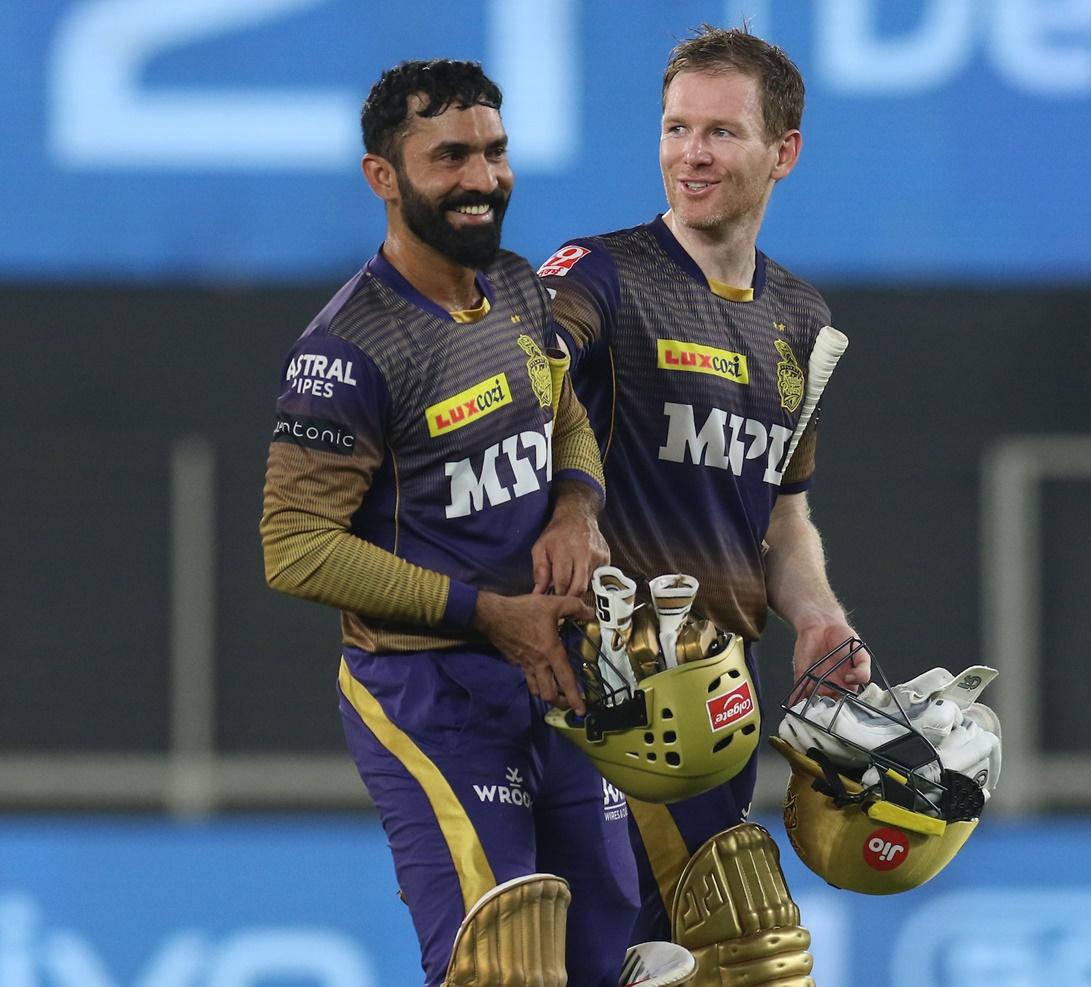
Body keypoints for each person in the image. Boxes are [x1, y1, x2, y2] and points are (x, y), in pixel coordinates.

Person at [260, 59, 639, 987]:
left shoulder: (512, 283)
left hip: (557, 674)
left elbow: (565, 411)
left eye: (495, 152)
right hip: (428, 697)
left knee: (608, 958)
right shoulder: (347, 351)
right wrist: (486, 612)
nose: (483, 178)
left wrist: (576, 506)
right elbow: (294, 545)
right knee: (499, 966)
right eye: (451, 157)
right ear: (382, 177)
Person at [538, 25, 872, 983]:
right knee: (738, 960)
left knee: (670, 965)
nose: (691, 154)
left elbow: (782, 518)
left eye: (721, 133)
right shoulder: (601, 274)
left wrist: (818, 617)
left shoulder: (802, 323)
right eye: (677, 128)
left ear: (784, 151)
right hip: (605, 692)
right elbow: (525, 369)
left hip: (719, 703)